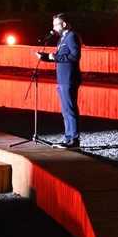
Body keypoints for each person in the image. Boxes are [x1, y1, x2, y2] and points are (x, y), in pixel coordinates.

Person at [37, 12, 83, 148]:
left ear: (63, 24)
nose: (54, 28)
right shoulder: (62, 38)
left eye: (56, 25)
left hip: (69, 78)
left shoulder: (71, 36)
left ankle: (74, 139)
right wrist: (44, 57)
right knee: (65, 110)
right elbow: (59, 56)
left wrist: (54, 57)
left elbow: (75, 56)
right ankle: (68, 137)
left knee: (70, 109)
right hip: (62, 79)